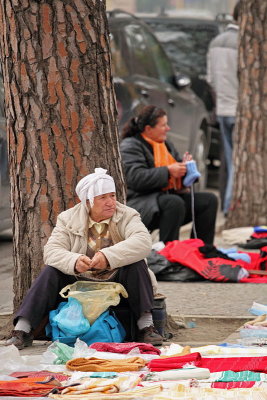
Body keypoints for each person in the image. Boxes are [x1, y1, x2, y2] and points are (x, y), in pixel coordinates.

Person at [6, 168, 163, 349]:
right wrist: (74, 261)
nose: (111, 202)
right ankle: (22, 330)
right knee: (50, 271)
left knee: (136, 264)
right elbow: (51, 251)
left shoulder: (127, 215)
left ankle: (146, 326)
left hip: (116, 277)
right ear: (88, 201)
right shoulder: (68, 218)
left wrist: (108, 256)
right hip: (79, 278)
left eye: (112, 196)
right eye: (103, 198)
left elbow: (143, 242)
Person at [120, 105, 218, 245]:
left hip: (165, 199)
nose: (168, 128)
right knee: (174, 203)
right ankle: (169, 254)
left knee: (209, 200)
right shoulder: (130, 146)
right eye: (164, 125)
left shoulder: (165, 145)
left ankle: (203, 250)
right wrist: (168, 171)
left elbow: (176, 174)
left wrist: (185, 171)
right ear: (148, 129)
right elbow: (135, 178)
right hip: (140, 203)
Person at [207, 1, 240, 215]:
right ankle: (229, 206)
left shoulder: (216, 41)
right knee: (237, 162)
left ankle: (226, 206)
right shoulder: (246, 42)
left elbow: (210, 79)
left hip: (223, 109)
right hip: (239, 110)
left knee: (229, 160)